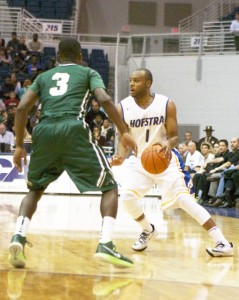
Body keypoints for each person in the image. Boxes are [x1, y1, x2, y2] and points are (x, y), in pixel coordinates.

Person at [8, 37, 137, 269]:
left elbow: (21, 108)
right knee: (109, 187)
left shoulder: (43, 77)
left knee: (35, 189)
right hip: (72, 128)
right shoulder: (87, 72)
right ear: (80, 57)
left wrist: (19, 145)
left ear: (58, 57)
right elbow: (105, 99)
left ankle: (18, 235)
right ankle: (106, 243)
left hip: (44, 130)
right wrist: (123, 130)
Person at [112, 68, 233, 257]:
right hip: (139, 161)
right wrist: (120, 156)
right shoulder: (122, 107)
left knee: (184, 200)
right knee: (126, 198)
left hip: (165, 159)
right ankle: (148, 229)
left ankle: (222, 243)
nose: (131, 84)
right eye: (130, 81)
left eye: (136, 81)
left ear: (148, 83)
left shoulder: (166, 104)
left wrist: (167, 144)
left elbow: (174, 136)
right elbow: (123, 138)